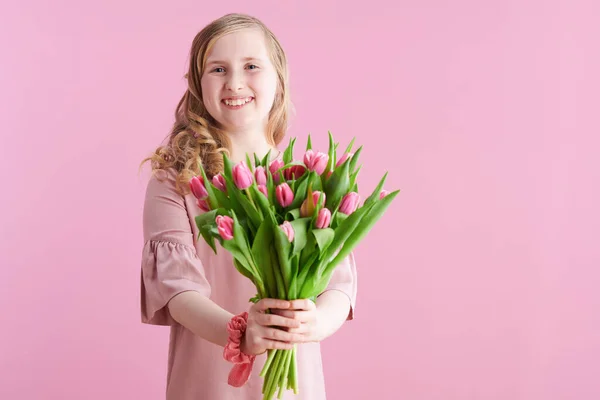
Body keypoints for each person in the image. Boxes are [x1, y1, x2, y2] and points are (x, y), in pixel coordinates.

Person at [139, 13, 358, 400]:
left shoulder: (306, 178)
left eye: (251, 66)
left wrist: (316, 322)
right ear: (195, 84)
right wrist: (241, 331)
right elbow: (179, 292)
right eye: (217, 69)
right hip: (207, 386)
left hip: (296, 389)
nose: (235, 83)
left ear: (279, 79)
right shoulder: (176, 180)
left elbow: (339, 284)